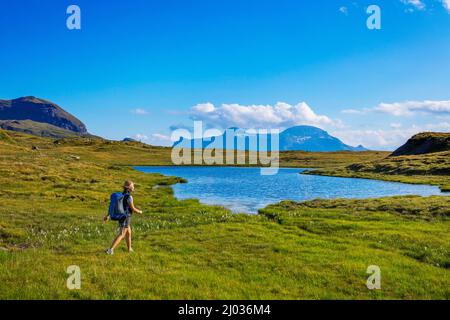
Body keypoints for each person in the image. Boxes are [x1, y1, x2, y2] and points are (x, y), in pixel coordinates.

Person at [104, 180, 142, 255]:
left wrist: (108, 215)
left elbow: (112, 206)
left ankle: (129, 249)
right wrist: (139, 211)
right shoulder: (129, 197)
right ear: (129, 188)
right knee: (122, 234)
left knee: (129, 232)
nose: (134, 187)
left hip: (122, 216)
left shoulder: (120, 195)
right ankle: (110, 250)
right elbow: (133, 208)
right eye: (133, 186)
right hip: (126, 217)